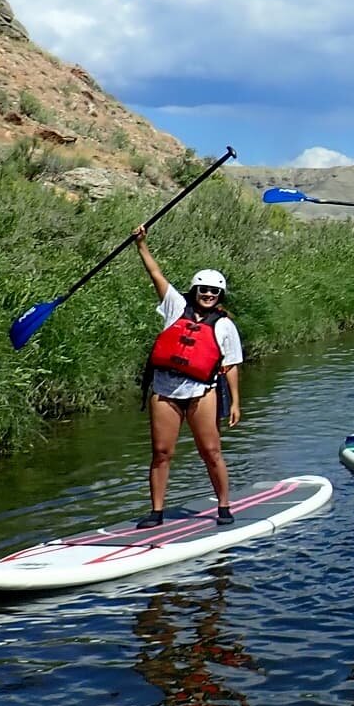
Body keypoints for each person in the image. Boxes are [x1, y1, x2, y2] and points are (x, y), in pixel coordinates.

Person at [132, 224, 243, 528]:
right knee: (161, 452)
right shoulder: (174, 306)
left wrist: (235, 403)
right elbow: (156, 276)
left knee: (211, 451)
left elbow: (231, 365)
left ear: (220, 295)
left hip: (202, 392)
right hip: (164, 391)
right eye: (203, 290)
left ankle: (223, 505)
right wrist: (141, 245)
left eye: (214, 291)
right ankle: (156, 512)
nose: (207, 294)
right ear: (194, 291)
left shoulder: (224, 325)